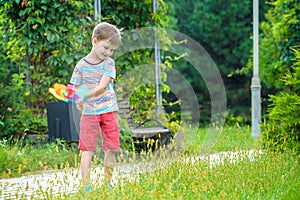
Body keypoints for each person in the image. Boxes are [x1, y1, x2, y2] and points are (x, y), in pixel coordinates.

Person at [70, 22, 122, 190]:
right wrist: (77, 98)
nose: (108, 53)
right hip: (90, 113)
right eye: (106, 48)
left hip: (108, 111)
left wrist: (83, 96)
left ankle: (107, 184)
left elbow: (101, 87)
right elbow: (75, 89)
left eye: (112, 50)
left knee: (111, 148)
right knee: (87, 149)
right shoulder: (81, 65)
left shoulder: (109, 63)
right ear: (95, 41)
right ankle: (86, 186)